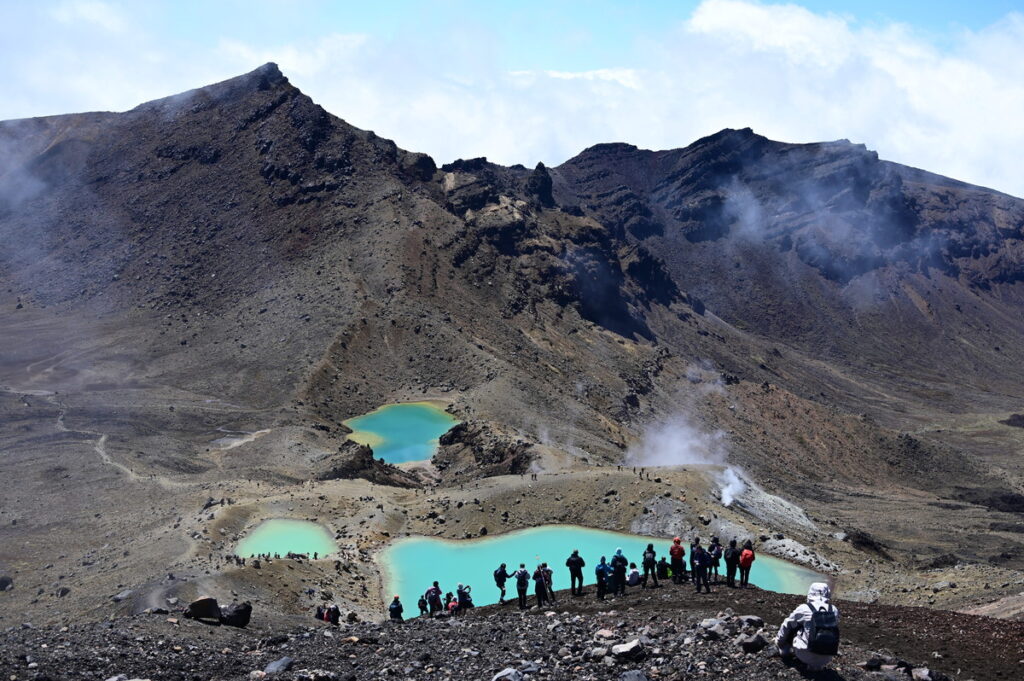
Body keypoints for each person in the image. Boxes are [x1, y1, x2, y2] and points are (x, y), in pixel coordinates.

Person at [776, 583, 841, 671]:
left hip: (804, 655)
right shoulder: (834, 609)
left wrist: (779, 642)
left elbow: (787, 625)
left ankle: (785, 651)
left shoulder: (804, 608)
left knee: (794, 625)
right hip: (827, 657)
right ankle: (817, 665)